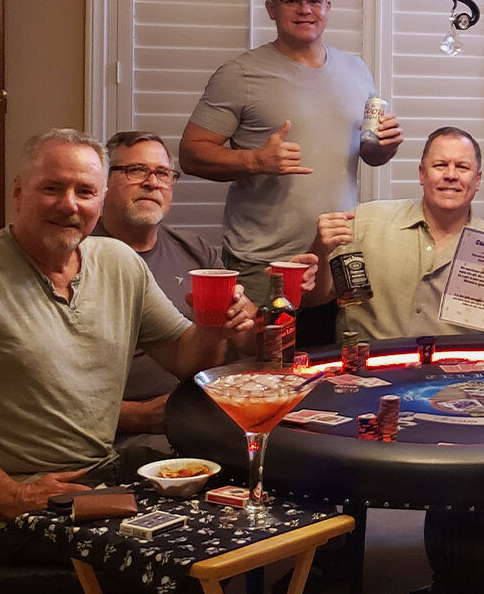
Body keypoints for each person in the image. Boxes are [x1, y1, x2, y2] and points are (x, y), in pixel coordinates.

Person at [0, 129, 254, 562]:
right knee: (177, 564)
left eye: (84, 191)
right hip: (4, 510)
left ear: (100, 200)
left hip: (101, 482)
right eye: (52, 188)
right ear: (19, 192)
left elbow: (183, 357)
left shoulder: (120, 263)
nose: (70, 204)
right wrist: (11, 495)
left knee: (240, 505)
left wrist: (213, 325)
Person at [178, 0, 403, 324]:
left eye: (315, 0)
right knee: (263, 369)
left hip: (339, 254)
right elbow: (190, 155)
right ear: (271, 8)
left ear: (328, 7)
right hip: (267, 260)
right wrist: (255, 161)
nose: (305, 9)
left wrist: (383, 148)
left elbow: (366, 154)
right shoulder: (240, 75)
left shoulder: (356, 70)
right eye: (291, 0)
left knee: (334, 369)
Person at [95, 131, 317, 454]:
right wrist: (138, 416)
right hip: (126, 436)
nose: (152, 182)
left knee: (296, 450)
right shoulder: (82, 258)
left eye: (163, 174)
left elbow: (249, 346)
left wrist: (274, 300)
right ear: (104, 182)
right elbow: (56, 399)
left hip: (205, 415)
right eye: (136, 170)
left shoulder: (196, 252)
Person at [304, 127, 484, 341]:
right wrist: (319, 247)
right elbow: (316, 299)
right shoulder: (365, 223)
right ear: (422, 174)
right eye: (440, 165)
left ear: (477, 181)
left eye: (462, 167)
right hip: (366, 372)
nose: (451, 175)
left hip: (453, 380)